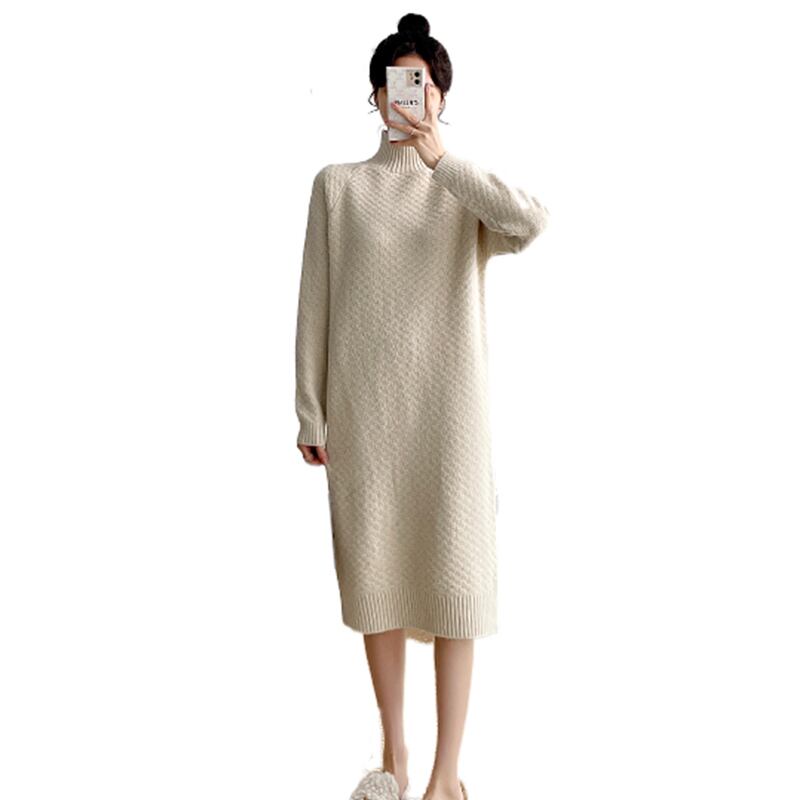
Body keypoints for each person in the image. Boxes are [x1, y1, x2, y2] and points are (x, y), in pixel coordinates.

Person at [294, 13, 550, 800]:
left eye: (427, 85)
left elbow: (530, 222)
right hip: (365, 419)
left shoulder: (459, 191)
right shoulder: (338, 188)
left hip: (450, 424)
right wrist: (310, 410)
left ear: (441, 96)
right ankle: (396, 759)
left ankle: (446, 777)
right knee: (375, 579)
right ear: (376, 96)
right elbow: (315, 304)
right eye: (400, 83)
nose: (413, 96)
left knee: (455, 587)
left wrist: (444, 160)